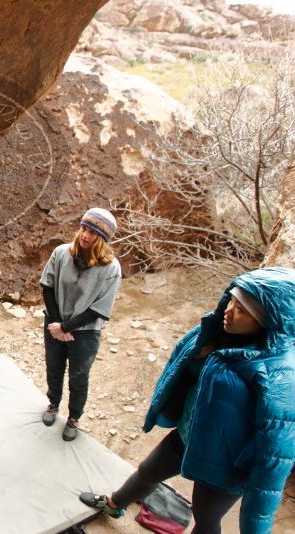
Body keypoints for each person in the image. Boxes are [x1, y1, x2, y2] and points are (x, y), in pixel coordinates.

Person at [80, 267, 295, 533]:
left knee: (205, 518)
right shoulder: (218, 334)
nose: (229, 311)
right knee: (148, 470)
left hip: (224, 464)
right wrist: (198, 360)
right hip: (188, 434)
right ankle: (113, 504)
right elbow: (191, 378)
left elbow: (277, 454)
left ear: (266, 321)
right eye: (232, 300)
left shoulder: (280, 374)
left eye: (242, 310)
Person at [39, 208, 121, 441]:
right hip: (55, 321)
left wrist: (66, 328)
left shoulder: (111, 268)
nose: (85, 235)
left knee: (78, 376)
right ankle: (53, 404)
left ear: (102, 239)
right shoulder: (62, 253)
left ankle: (74, 417)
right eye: (84, 228)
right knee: (54, 369)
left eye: (92, 232)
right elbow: (47, 286)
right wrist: (56, 323)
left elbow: (99, 309)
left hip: (85, 332)